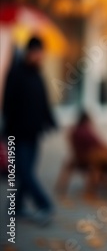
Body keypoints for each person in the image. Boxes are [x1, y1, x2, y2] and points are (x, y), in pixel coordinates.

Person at [2, 36, 56, 226]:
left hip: (34, 133)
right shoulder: (16, 73)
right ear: (29, 52)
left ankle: (15, 207)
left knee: (27, 171)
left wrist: (51, 121)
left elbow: (43, 102)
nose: (40, 57)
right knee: (24, 172)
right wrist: (6, 133)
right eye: (37, 53)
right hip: (17, 134)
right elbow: (8, 104)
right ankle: (45, 204)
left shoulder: (37, 75)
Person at [56, 110, 107, 196]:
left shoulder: (75, 131)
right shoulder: (85, 131)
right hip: (90, 159)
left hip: (81, 157)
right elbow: (99, 144)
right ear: (87, 120)